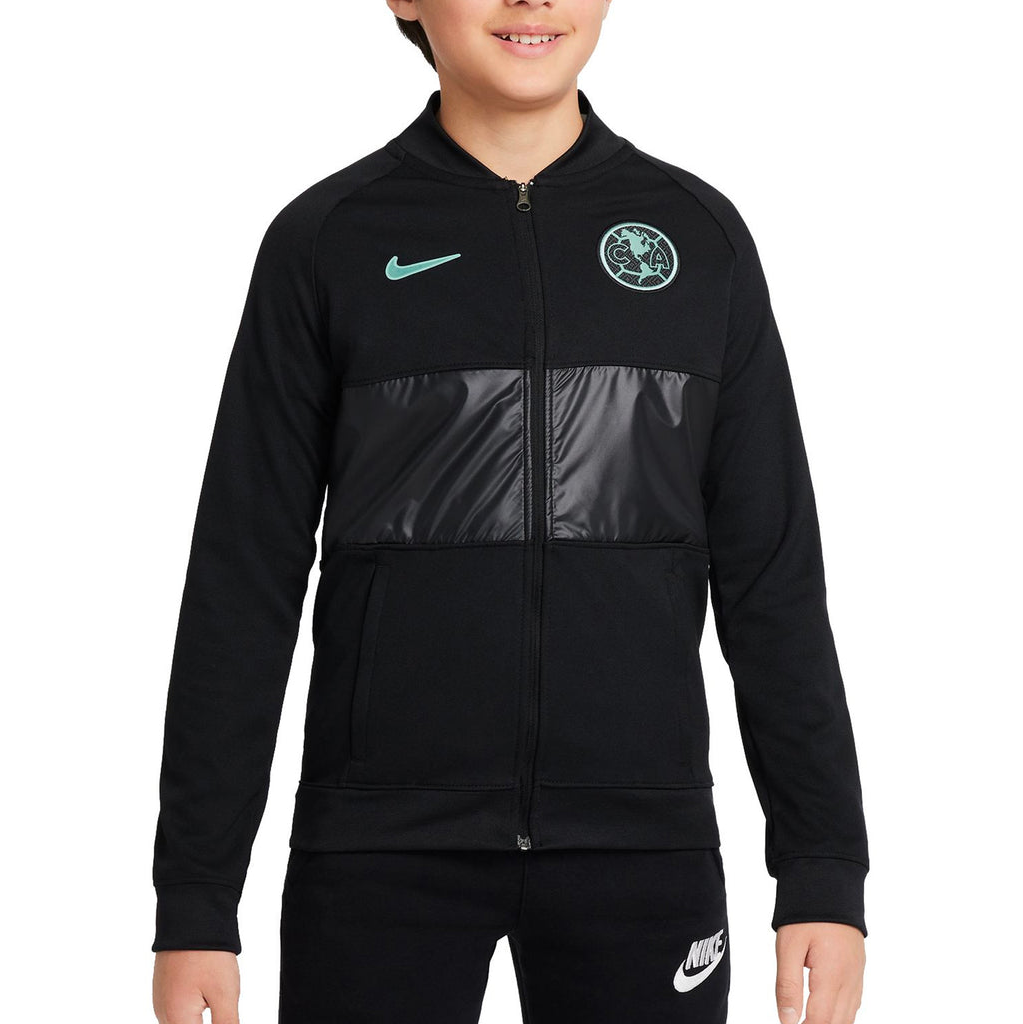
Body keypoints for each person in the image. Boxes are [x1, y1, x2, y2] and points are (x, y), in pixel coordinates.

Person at [151, 2, 870, 1022]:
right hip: (380, 853)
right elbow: (243, 579)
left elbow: (773, 581)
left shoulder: (698, 239)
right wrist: (196, 897)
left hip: (642, 851)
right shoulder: (328, 242)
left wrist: (823, 865)